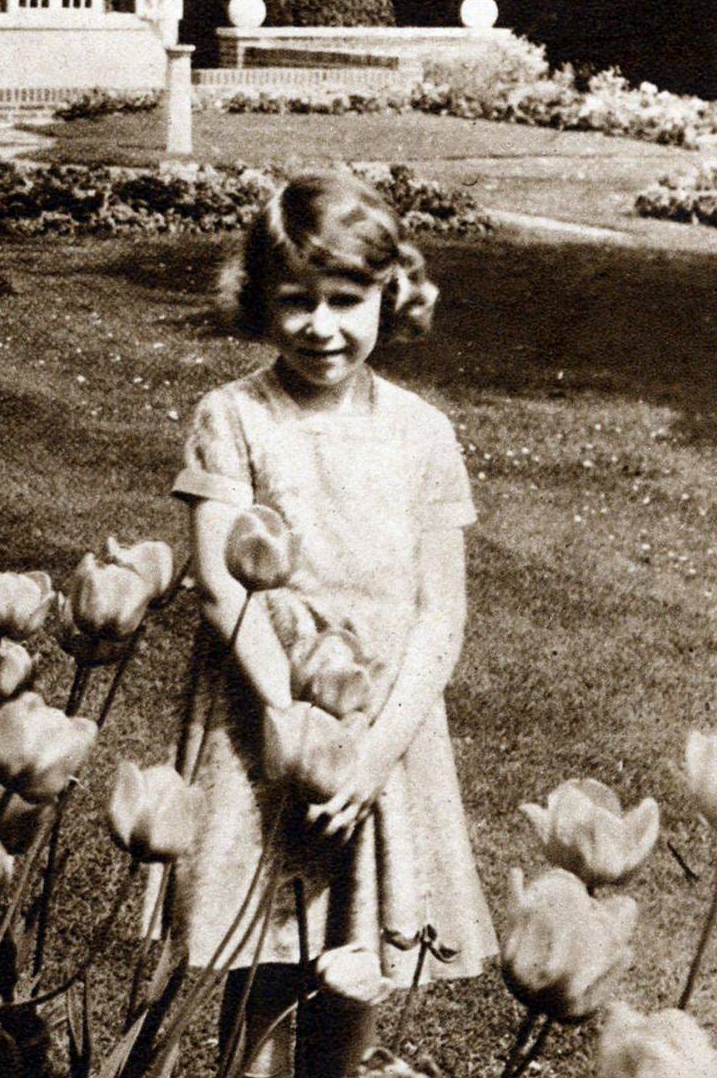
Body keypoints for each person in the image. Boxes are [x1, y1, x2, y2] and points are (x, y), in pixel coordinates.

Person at [170, 170, 495, 1077]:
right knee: (260, 951)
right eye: (296, 301)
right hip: (260, 716)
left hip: (383, 728)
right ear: (258, 301)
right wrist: (283, 710)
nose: (323, 325)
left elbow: (442, 612)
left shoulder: (422, 431)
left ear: (388, 296)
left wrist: (379, 747)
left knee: (354, 965)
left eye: (346, 300)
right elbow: (217, 583)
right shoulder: (232, 417)